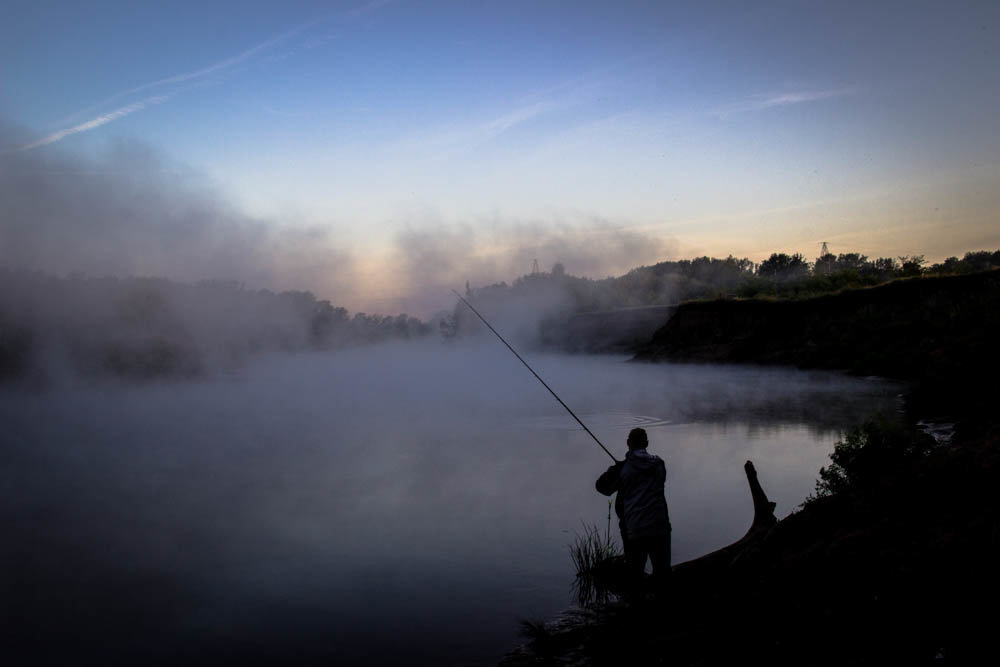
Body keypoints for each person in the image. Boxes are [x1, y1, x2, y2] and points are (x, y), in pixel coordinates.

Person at [595, 427, 671, 588]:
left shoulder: (623, 470)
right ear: (647, 443)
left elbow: (602, 488)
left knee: (635, 575)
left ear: (628, 443)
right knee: (663, 574)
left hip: (635, 529)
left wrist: (614, 470)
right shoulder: (659, 464)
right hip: (660, 527)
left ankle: (635, 607)